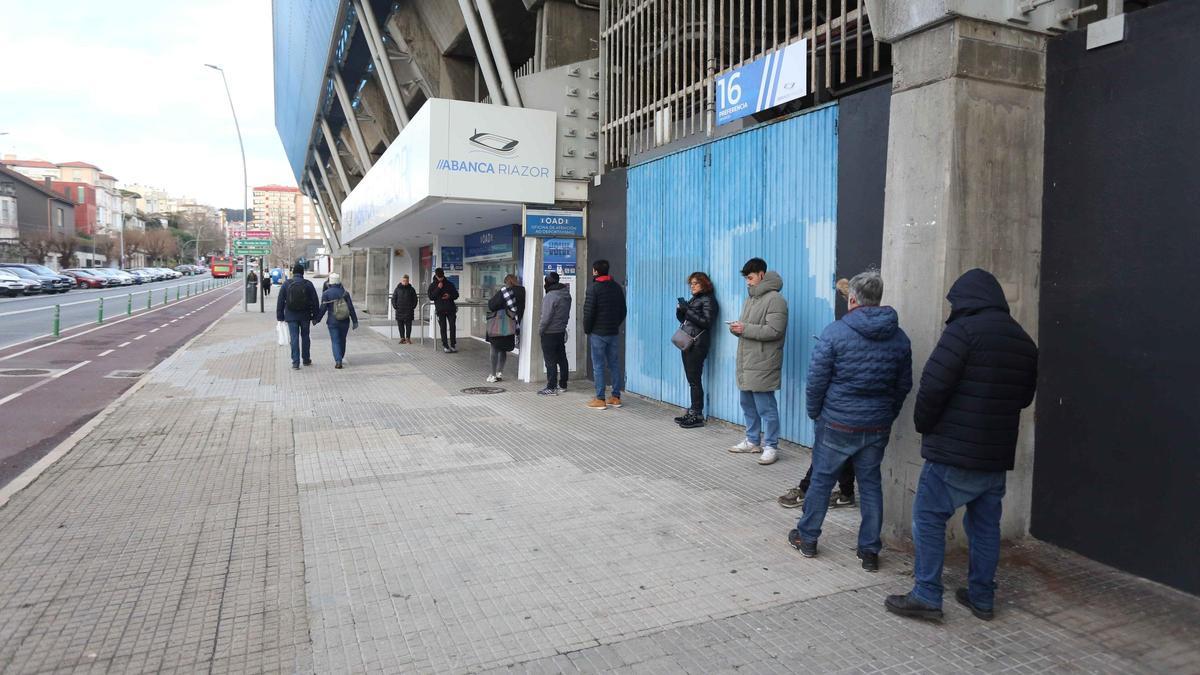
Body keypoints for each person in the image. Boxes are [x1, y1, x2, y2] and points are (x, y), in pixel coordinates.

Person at [885, 268, 1038, 622]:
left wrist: (924, 425)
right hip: (995, 454)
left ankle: (926, 594)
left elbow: (933, 387)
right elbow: (1024, 397)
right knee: (985, 525)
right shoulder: (1023, 340)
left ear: (966, 300)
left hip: (953, 451)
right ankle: (982, 597)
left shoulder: (962, 332)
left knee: (928, 516)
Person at [787, 269, 913, 573]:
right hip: (876, 425)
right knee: (870, 485)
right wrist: (887, 414)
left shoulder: (835, 332)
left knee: (822, 479)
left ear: (852, 299)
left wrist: (815, 412)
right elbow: (903, 385)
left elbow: (816, 381)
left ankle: (808, 538)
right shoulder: (899, 337)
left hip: (837, 423)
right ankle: (869, 551)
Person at [728, 258, 788, 465]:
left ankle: (771, 446)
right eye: (746, 278)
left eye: (750, 277)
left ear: (761, 275)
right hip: (747, 360)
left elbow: (775, 330)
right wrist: (737, 328)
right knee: (747, 404)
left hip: (764, 361)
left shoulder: (775, 299)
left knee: (766, 407)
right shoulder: (750, 300)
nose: (748, 282)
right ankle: (753, 440)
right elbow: (749, 328)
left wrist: (745, 329)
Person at [673, 272, 718, 428]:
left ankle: (697, 414)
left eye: (695, 283)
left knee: (694, 380)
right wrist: (681, 311)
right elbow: (686, 321)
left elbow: (707, 322)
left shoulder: (709, 300)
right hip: (688, 342)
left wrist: (688, 310)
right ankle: (693, 411)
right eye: (690, 283)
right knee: (692, 379)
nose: (692, 286)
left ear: (704, 284)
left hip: (698, 344)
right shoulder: (696, 299)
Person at [583, 259, 627, 410]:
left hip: (598, 333)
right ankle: (615, 397)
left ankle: (600, 398)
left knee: (598, 366)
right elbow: (623, 310)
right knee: (614, 364)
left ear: (595, 271)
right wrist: (615, 324)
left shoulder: (593, 288)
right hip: (613, 332)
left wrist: (587, 329)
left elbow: (588, 313)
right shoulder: (616, 287)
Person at [276, 262, 319, 370]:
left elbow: (280, 301)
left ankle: (295, 362)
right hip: (305, 316)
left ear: (293, 272)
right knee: (305, 337)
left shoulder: (286, 284)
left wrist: (280, 316)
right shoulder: (308, 284)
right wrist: (315, 316)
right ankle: (306, 359)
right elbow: (315, 301)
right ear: (302, 273)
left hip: (291, 316)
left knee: (294, 338)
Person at [312, 272, 359, 369]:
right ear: (339, 282)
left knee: (335, 341)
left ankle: (338, 360)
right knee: (342, 340)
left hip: (332, 322)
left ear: (330, 282)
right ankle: (340, 356)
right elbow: (350, 307)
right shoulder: (345, 293)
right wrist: (355, 321)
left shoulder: (326, 294)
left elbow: (323, 308)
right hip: (345, 321)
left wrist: (317, 319)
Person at [485, 274, 525, 382]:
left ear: (507, 282)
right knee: (503, 349)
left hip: (499, 324)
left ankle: (492, 375)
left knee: (494, 348)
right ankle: (499, 373)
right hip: (512, 325)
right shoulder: (522, 291)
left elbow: (492, 305)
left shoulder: (505, 291)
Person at [537, 272, 572, 396]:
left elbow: (545, 317)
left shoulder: (550, 296)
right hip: (560, 331)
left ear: (548, 282)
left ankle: (551, 387)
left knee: (550, 360)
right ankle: (563, 384)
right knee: (562, 358)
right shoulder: (566, 294)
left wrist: (540, 330)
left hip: (549, 332)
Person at [428, 268, 460, 353]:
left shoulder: (449, 284)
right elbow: (431, 297)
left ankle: (453, 345)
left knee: (452, 327)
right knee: (443, 328)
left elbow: (456, 295)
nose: (440, 279)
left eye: (442, 277)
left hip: (450, 309)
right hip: (440, 310)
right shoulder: (432, 285)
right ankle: (445, 345)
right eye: (439, 277)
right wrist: (438, 288)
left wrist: (449, 296)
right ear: (436, 275)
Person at [391, 274, 418, 344]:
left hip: (409, 310)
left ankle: (408, 338)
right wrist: (395, 306)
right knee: (400, 325)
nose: (405, 282)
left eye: (406, 281)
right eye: (404, 281)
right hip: (399, 310)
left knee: (409, 325)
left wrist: (413, 307)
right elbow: (393, 298)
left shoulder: (411, 289)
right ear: (401, 281)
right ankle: (402, 338)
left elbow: (415, 299)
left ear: (408, 281)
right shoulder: (397, 289)